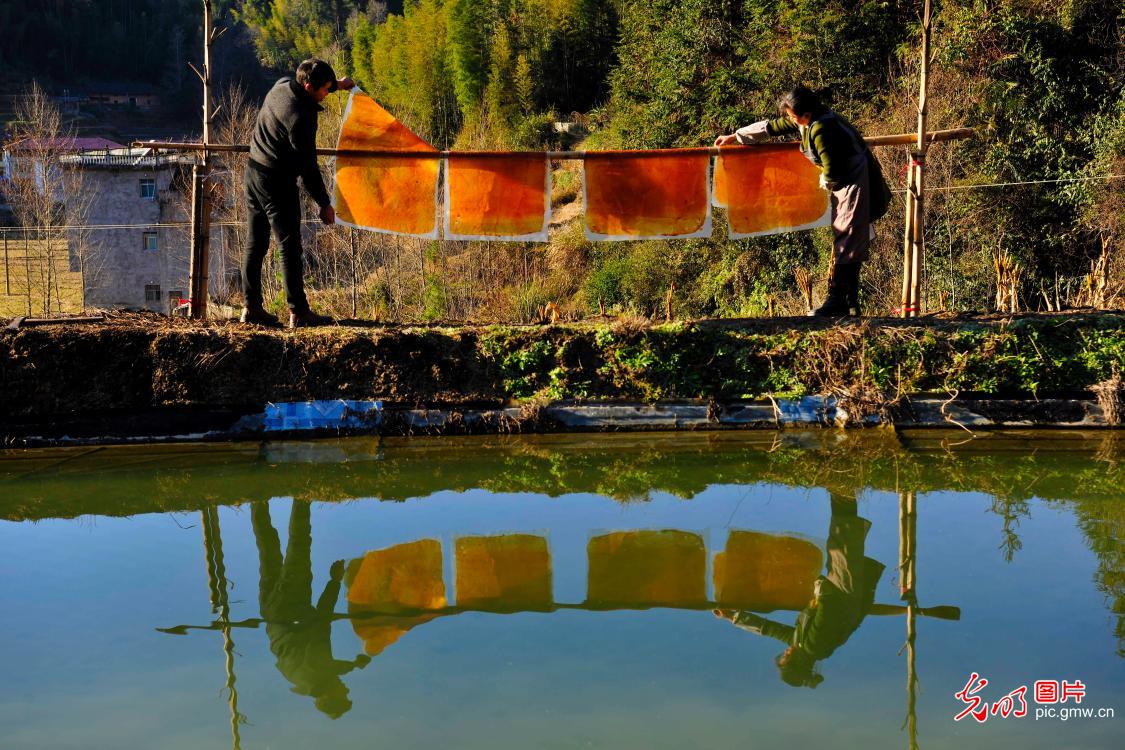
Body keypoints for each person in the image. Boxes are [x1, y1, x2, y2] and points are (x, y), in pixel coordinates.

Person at [715, 86, 891, 316]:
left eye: (791, 115)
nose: (789, 119)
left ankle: (838, 301)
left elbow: (833, 169)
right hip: (846, 180)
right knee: (851, 238)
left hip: (854, 181)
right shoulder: (810, 120)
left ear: (805, 114)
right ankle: (850, 301)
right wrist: (736, 137)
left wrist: (825, 181)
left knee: (848, 238)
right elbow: (773, 126)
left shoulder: (822, 129)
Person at [713, 491, 885, 688]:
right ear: (796, 663)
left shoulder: (800, 643)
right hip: (843, 591)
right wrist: (821, 590)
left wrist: (732, 617)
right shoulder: (815, 647)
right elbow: (826, 613)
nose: (785, 652)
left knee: (841, 541)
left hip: (836, 589)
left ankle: (841, 488)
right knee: (843, 540)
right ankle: (842, 484)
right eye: (786, 658)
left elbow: (768, 629)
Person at [241, 59, 355, 328]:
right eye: (325, 89)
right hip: (277, 182)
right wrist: (325, 203)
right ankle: (299, 312)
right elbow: (308, 167)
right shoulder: (301, 118)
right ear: (308, 86)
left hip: (253, 173)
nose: (327, 93)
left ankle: (251, 308)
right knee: (289, 247)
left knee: (255, 243)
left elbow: (311, 86)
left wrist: (338, 85)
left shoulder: (281, 86)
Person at [251, 500, 371, 717]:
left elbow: (322, 622)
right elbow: (332, 667)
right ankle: (256, 498)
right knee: (267, 549)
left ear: (328, 697)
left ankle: (301, 495)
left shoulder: (316, 673)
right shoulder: (301, 682)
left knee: (299, 544)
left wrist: (334, 581)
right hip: (271, 613)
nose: (345, 688)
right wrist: (353, 664)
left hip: (292, 606)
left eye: (343, 693)